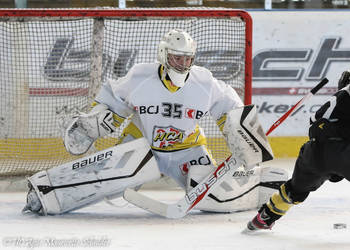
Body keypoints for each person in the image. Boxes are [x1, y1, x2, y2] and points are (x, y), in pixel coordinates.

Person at [23, 29, 286, 215]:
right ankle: (44, 193)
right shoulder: (141, 76)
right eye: (176, 58)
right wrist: (95, 122)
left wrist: (245, 142)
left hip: (187, 152)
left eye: (187, 59)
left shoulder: (204, 82)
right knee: (100, 181)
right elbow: (114, 98)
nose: (182, 65)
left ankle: (265, 184)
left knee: (217, 197)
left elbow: (231, 109)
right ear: (163, 54)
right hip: (141, 146)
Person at [246, 70, 350, 231]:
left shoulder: (339, 97)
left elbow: (314, 126)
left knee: (294, 190)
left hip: (315, 152)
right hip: (345, 153)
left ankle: (264, 218)